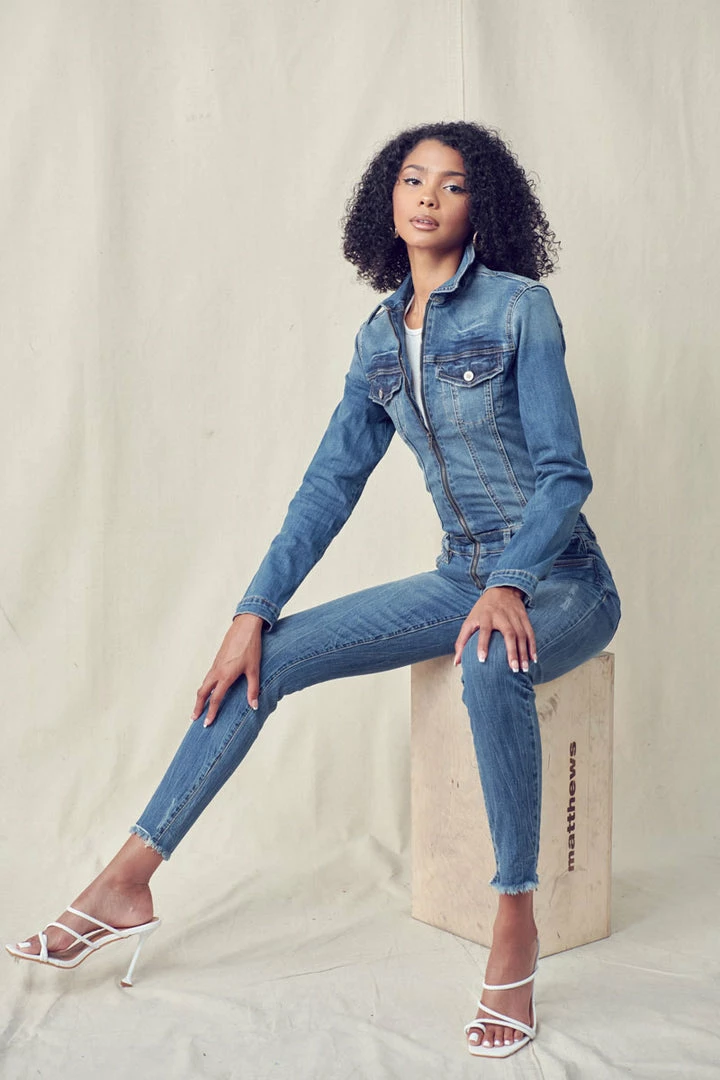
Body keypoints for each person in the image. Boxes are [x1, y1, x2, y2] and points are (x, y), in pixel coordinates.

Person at [6, 121, 621, 1059]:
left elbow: (564, 474)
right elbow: (328, 487)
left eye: (452, 184)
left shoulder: (518, 309)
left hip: (560, 577)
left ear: (481, 206)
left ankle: (514, 920)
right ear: (387, 198)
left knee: (491, 661)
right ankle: (127, 877)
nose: (428, 196)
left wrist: (511, 581)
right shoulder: (379, 340)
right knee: (269, 656)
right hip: (459, 574)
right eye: (411, 179)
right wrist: (251, 609)